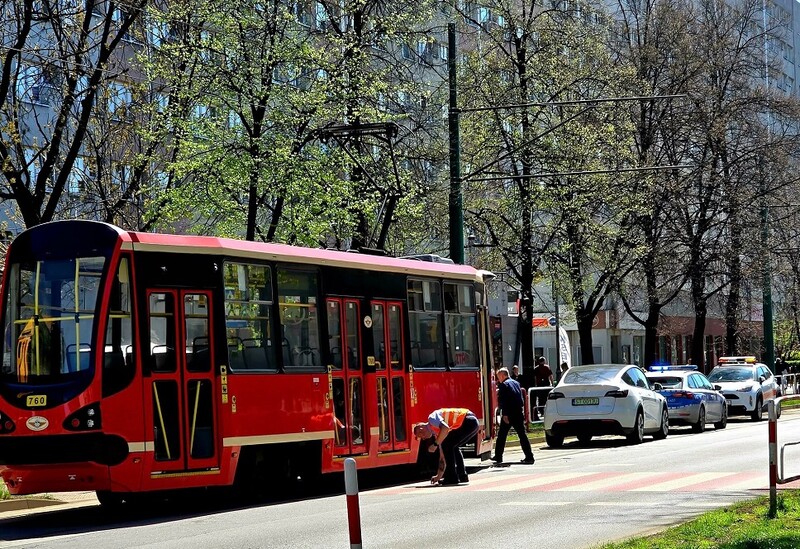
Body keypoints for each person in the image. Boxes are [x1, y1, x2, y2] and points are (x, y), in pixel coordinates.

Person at [413, 407, 479, 485]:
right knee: (452, 446)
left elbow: (445, 428)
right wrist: (438, 476)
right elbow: (442, 457)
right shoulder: (437, 433)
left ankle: (452, 477)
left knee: (448, 445)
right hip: (472, 423)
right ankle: (462, 476)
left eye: (421, 437)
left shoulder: (432, 419)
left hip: (468, 421)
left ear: (421, 430)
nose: (423, 439)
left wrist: (435, 444)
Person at [491, 367, 535, 465]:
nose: (498, 379)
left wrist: (505, 414)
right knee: (522, 435)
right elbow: (520, 398)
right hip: (518, 412)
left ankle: (498, 456)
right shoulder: (516, 383)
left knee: (502, 435)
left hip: (509, 413)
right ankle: (529, 456)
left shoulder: (504, 385)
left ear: (503, 375)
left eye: (499, 377)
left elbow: (504, 401)